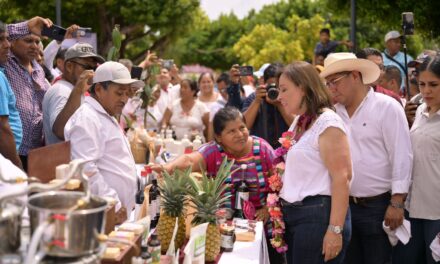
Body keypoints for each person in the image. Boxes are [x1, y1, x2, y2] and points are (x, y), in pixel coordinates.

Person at [152, 107, 284, 263]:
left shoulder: (262, 149)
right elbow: (189, 160)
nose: (240, 134)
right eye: (232, 131)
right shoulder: (213, 151)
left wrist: (268, 209)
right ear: (219, 137)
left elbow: (280, 181)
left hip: (261, 228)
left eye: (242, 128)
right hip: (221, 228)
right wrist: (168, 168)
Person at [320, 52, 413, 264]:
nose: (331, 88)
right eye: (328, 83)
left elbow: (402, 155)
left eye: (335, 81)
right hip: (342, 208)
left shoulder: (387, 106)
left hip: (378, 207)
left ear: (354, 75)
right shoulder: (332, 113)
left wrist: (397, 202)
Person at [277, 62, 352, 264]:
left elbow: (343, 178)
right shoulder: (300, 121)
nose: (279, 96)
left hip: (318, 216)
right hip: (298, 216)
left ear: (303, 87)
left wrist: (335, 230)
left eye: (284, 89)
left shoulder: (328, 123)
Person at [64, 61, 144, 220]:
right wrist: (112, 203)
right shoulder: (87, 118)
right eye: (119, 93)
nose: (124, 99)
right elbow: (85, 169)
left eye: (127, 93)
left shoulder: (104, 114)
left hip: (121, 213)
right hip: (109, 214)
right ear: (99, 89)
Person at [392, 55, 440, 264]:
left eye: (433, 85)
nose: (426, 91)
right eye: (422, 84)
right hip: (411, 210)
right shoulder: (418, 110)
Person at [3, 17, 53, 171]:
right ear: (11, 42)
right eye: (28, 40)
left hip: (35, 151)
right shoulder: (6, 63)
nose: (34, 46)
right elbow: (3, 32)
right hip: (10, 151)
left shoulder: (39, 71)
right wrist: (26, 26)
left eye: (37, 42)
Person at [42, 43, 105, 145]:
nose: (92, 72)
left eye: (94, 68)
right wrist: (78, 90)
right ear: (69, 66)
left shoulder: (73, 89)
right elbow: (61, 131)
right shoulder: (61, 91)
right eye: (87, 67)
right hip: (64, 159)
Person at [239, 63, 294, 148]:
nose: (274, 89)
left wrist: (280, 105)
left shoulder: (290, 96)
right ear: (264, 83)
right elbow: (244, 125)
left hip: (286, 149)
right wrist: (257, 101)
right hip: (260, 151)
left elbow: (296, 125)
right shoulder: (255, 97)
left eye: (277, 86)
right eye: (270, 85)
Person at [0, 21, 22, 168]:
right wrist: (17, 166)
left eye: (7, 38)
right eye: (0, 40)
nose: (7, 45)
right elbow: (2, 128)